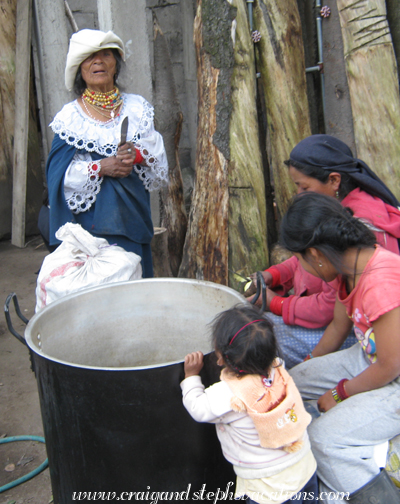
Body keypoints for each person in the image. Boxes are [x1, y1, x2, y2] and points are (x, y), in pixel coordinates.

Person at [280, 192, 400, 503]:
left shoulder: (381, 283)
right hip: (369, 358)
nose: (304, 269)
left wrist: (338, 394)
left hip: (394, 375)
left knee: (324, 439)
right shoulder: (345, 268)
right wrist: (303, 366)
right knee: (292, 384)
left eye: (302, 261)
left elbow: (390, 366)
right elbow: (337, 327)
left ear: (316, 254)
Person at [250, 134, 400, 368]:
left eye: (304, 186)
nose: (299, 193)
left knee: (259, 337)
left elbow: (332, 310)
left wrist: (277, 304)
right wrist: (277, 274)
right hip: (339, 325)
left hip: (364, 338)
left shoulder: (362, 226)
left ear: (334, 180)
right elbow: (306, 256)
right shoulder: (336, 211)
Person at [45, 29, 168, 277]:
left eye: (105, 55)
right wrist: (100, 167)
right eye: (90, 57)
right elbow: (59, 178)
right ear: (80, 68)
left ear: (115, 64)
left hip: (133, 219)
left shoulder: (136, 108)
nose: (98, 61)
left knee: (134, 280)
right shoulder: (70, 119)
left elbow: (157, 156)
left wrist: (137, 156)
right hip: (91, 229)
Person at [181, 304, 318, 504]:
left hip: (269, 486)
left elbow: (198, 408)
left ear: (221, 357)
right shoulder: (277, 368)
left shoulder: (230, 395)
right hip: (303, 466)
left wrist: (191, 377)